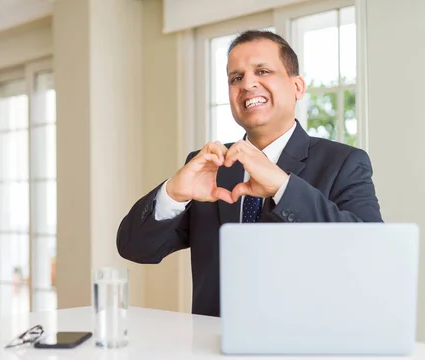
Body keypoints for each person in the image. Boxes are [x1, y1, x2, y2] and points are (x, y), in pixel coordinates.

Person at [117, 30, 383, 317]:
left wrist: (283, 187)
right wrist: (173, 194)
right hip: (212, 351)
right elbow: (135, 248)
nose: (248, 84)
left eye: (263, 71)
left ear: (297, 86)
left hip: (306, 351)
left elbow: (370, 254)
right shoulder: (209, 168)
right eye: (236, 78)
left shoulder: (344, 162)